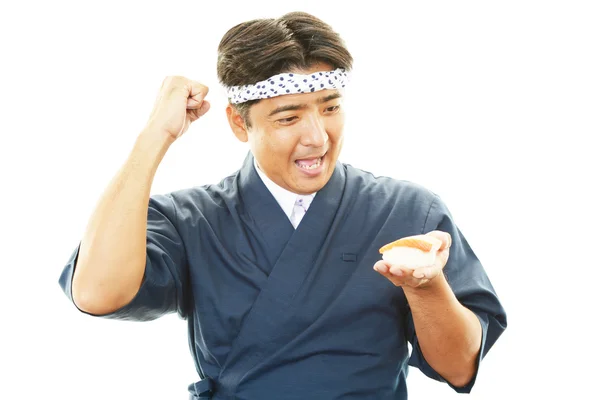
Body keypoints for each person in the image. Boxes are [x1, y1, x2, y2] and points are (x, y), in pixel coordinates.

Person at [58, 11, 507, 400]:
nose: (317, 136)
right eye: (289, 117)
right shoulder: (189, 221)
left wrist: (426, 289)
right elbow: (96, 294)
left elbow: (460, 367)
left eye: (330, 108)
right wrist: (156, 134)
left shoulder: (409, 211)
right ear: (239, 122)